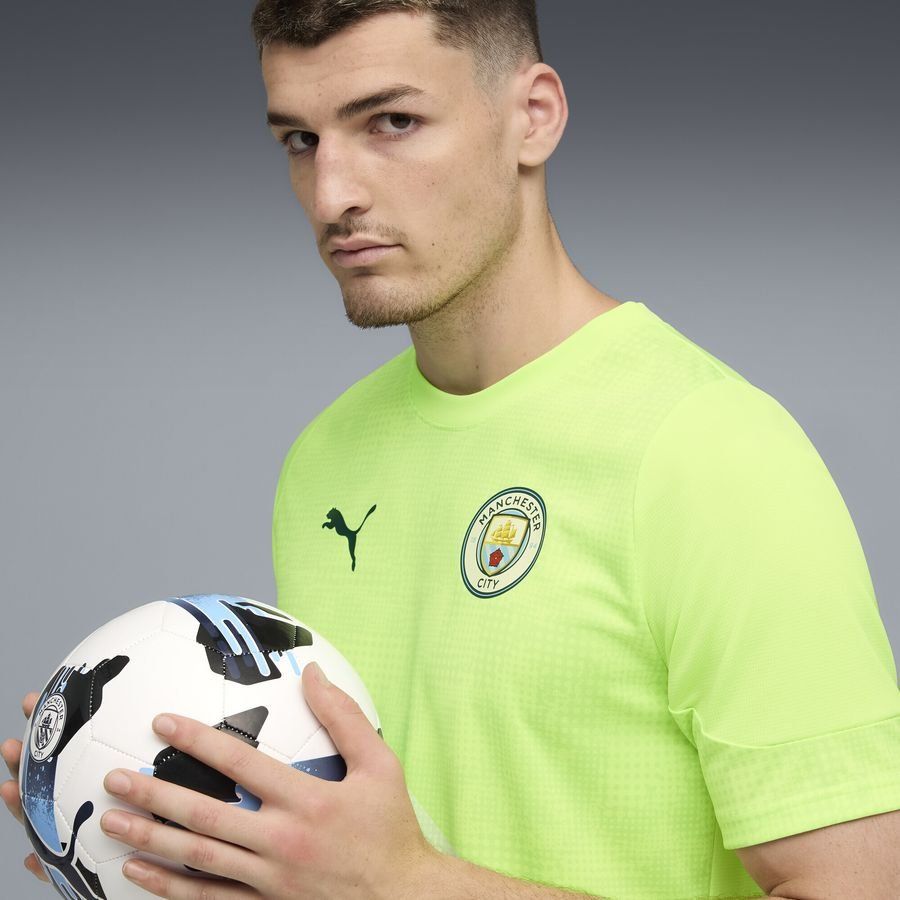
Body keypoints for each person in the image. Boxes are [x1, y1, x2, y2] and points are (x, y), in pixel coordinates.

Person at [4, 2, 900, 898]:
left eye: (391, 122)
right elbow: (356, 852)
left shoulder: (709, 451)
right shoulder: (328, 456)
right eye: (300, 141)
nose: (332, 195)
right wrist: (150, 832)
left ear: (533, 117)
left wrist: (400, 884)